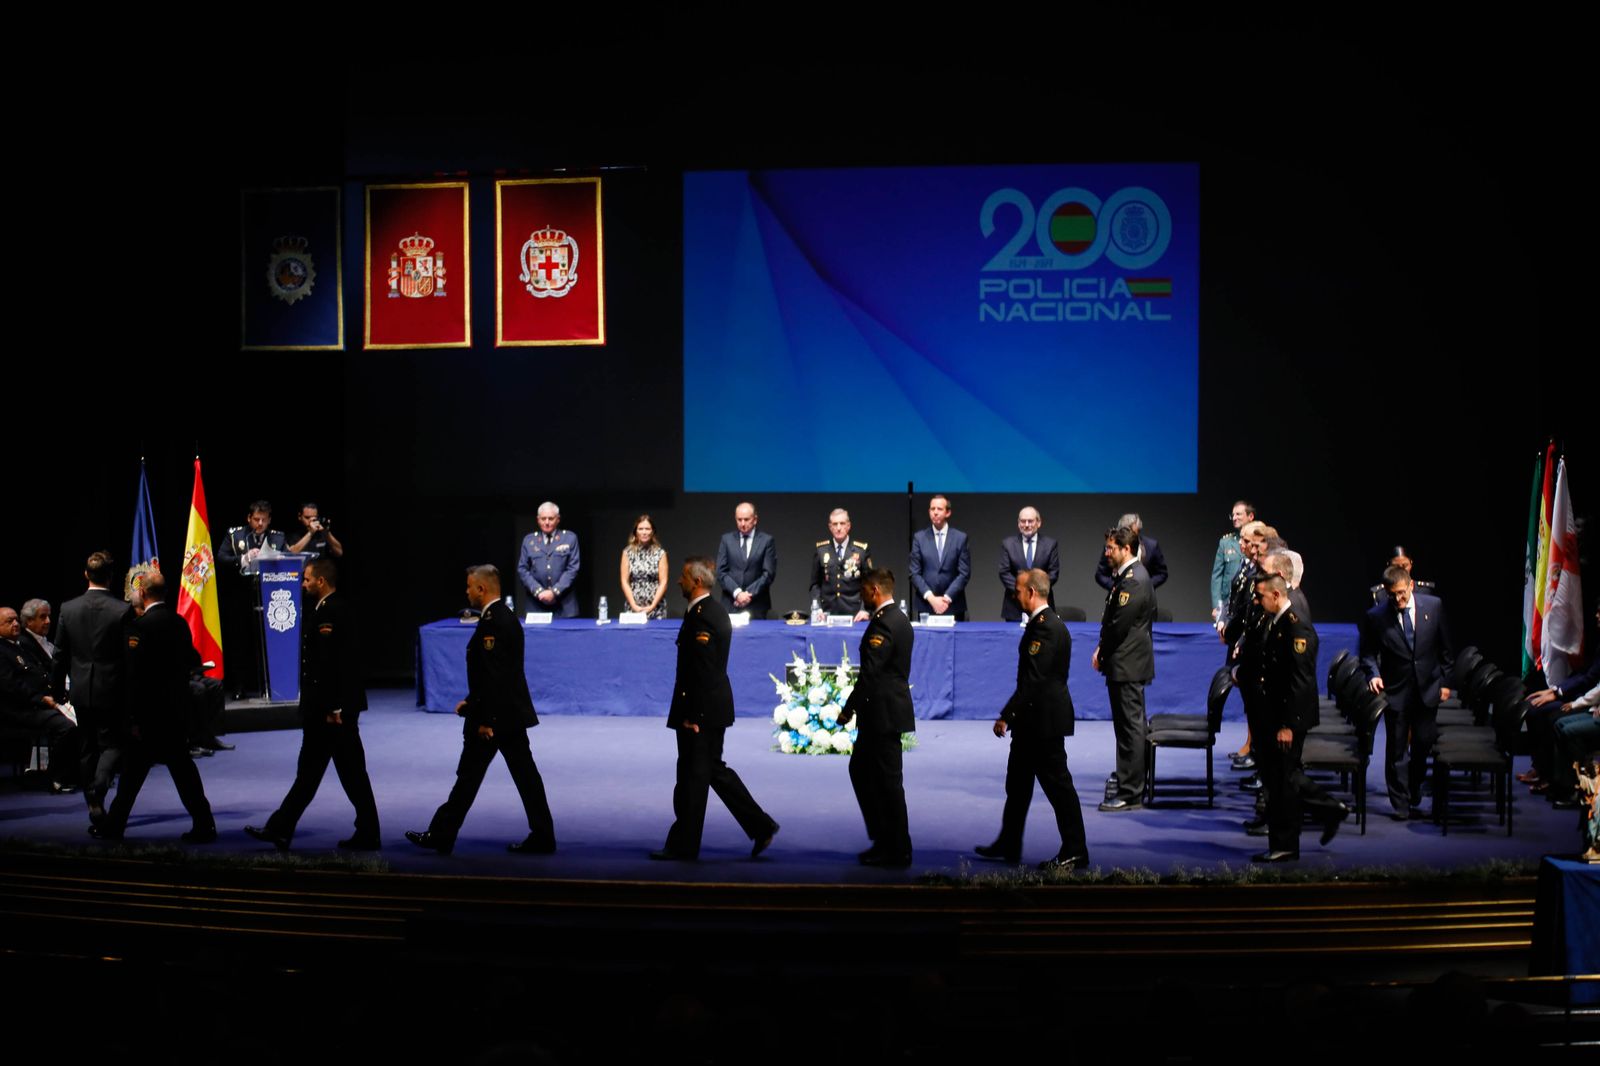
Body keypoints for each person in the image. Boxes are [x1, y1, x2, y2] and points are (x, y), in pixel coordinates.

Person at [407, 565, 556, 856]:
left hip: (496, 719)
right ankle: (542, 835)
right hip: (507, 714)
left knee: (472, 777)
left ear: (481, 589)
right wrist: (472, 701)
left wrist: (486, 719)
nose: (466, 592)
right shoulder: (503, 616)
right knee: (520, 777)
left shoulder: (493, 622)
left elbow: (495, 675)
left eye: (469, 586)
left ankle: (442, 835)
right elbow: (495, 674)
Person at [245, 558, 380, 850]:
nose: (303, 584)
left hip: (331, 712)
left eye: (307, 579)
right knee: (332, 774)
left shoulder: (333, 611)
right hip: (328, 709)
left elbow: (336, 664)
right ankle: (284, 828)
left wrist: (335, 707)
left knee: (333, 774)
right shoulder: (325, 609)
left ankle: (282, 828)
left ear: (321, 581)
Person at [650, 557, 780, 861]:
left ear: (696, 582)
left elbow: (703, 670)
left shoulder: (705, 615)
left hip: (702, 711)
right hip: (708, 708)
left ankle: (684, 846)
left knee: (692, 778)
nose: (679, 581)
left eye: (683, 577)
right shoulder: (704, 611)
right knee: (708, 771)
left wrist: (693, 715)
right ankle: (760, 826)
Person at [974, 569, 1089, 871]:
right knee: (1018, 784)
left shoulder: (1047, 628)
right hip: (1031, 721)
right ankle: (1009, 842)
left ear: (1032, 592)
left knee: (1058, 787)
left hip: (1043, 722)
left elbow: (1034, 682)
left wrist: (1007, 715)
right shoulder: (1043, 624)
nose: (1015, 595)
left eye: (1018, 590)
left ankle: (1075, 849)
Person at [89, 574, 216, 843]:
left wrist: (132, 717)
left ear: (143, 593)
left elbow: (134, 677)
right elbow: (192, 658)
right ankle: (205, 824)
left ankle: (113, 827)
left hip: (148, 715)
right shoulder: (179, 622)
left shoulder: (139, 628)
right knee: (184, 772)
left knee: (131, 777)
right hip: (176, 711)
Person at [1249, 572, 1348, 862]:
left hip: (1288, 719)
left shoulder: (1296, 628)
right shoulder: (1277, 621)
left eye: (1260, 596)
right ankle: (1327, 810)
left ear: (1276, 595)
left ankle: (1286, 844)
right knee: (1281, 777)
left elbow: (1300, 682)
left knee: (1283, 781)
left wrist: (1288, 725)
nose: (1257, 601)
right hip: (1275, 714)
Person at [1360, 564, 1455, 819]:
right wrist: (1373, 674)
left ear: (1411, 586)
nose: (1398, 599)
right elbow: (1367, 653)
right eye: (1392, 595)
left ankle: (1413, 787)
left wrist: (1446, 682)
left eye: (1402, 593)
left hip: (1428, 689)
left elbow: (1446, 650)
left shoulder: (1433, 606)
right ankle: (1400, 803)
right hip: (1396, 690)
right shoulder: (1376, 616)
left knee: (1423, 742)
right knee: (1397, 749)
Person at [837, 568, 914, 866]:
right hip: (884, 711)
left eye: (863, 591)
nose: (861, 597)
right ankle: (885, 839)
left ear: (874, 591)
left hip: (882, 713)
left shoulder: (884, 624)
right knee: (864, 771)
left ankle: (897, 847)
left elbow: (871, 673)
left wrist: (849, 708)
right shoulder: (899, 618)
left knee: (887, 782)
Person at [53, 551, 136, 820]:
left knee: (87, 747)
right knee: (113, 745)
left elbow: (59, 654)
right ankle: (98, 789)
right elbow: (129, 658)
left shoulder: (68, 608)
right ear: (111, 576)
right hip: (112, 689)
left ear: (86, 574)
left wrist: (57, 689)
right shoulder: (122, 610)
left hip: (80, 689)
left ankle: (92, 800)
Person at [1093, 525, 1156, 812]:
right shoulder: (1130, 576)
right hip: (1127, 662)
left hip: (1128, 662)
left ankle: (1130, 792)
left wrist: (1102, 651)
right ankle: (1128, 779)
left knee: (1130, 728)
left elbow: (1119, 625)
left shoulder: (1133, 580)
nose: (1107, 553)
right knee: (1127, 727)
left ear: (1126, 548)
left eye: (1111, 548)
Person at [0, 606, 80, 792]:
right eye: (9, 621)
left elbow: (41, 676)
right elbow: (11, 686)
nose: (15, 624)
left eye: (16, 620)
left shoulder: (19, 646)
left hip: (38, 703)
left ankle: (77, 773)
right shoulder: (2, 651)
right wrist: (41, 699)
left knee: (83, 716)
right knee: (65, 726)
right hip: (18, 710)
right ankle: (55, 777)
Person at [908, 494, 971, 621]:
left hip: (953, 605)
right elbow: (914, 573)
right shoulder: (919, 538)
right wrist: (931, 598)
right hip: (926, 605)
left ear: (948, 513)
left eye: (939, 509)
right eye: (932, 509)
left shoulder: (960, 538)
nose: (935, 512)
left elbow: (964, 573)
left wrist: (946, 598)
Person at [715, 501, 777, 619]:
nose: (742, 524)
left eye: (746, 519)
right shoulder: (726, 540)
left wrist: (747, 595)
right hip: (731, 604)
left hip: (757, 606)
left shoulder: (766, 541)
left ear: (755, 519)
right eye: (739, 520)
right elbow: (721, 572)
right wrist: (737, 593)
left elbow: (768, 574)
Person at [518, 501, 581, 618]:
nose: (547, 522)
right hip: (536, 605)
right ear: (538, 520)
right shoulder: (529, 541)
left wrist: (554, 592)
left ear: (558, 519)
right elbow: (522, 569)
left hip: (564, 606)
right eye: (543, 519)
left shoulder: (569, 538)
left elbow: (573, 569)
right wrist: (539, 592)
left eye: (551, 519)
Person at [999, 507, 1060, 622]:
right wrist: (1023, 591)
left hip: (1042, 605)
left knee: (1042, 634)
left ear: (1039, 522)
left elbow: (1053, 573)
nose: (1026, 525)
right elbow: (1004, 572)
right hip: (1014, 606)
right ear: (1018, 523)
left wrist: (1036, 592)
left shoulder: (1050, 544)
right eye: (1023, 521)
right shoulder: (1008, 544)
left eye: (1030, 521)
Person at [810, 509, 871, 620]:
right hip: (826, 614)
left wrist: (864, 609)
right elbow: (815, 584)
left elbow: (869, 584)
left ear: (848, 526)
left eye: (842, 523)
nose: (838, 528)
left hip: (855, 614)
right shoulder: (821, 550)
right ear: (830, 527)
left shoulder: (861, 550)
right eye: (835, 524)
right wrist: (817, 608)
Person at [1094, 512, 1168, 591]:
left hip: (1144, 594)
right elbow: (1100, 575)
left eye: (1133, 534)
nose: (1129, 538)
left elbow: (1162, 573)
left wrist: (1145, 586)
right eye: (1124, 534)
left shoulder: (1151, 546)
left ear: (1138, 531)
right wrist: (1117, 588)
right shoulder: (1111, 548)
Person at [1210, 500, 1254, 624]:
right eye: (1233, 515)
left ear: (1250, 516)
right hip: (1228, 604)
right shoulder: (1226, 543)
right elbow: (1217, 576)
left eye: (1238, 514)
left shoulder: (1259, 542)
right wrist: (1217, 605)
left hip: (1250, 602)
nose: (1234, 518)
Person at [619, 514, 669, 619]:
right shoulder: (627, 553)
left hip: (656, 607)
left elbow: (663, 582)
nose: (644, 532)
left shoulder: (660, 553)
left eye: (647, 529)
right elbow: (624, 581)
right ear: (635, 532)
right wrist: (634, 606)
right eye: (641, 529)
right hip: (633, 607)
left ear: (652, 531)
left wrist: (652, 606)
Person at [217, 501, 288, 573]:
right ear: (249, 518)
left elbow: (289, 558)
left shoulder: (278, 537)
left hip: (269, 578)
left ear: (269, 520)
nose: (260, 523)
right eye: (256, 519)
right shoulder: (234, 535)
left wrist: (282, 560)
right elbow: (221, 558)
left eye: (264, 520)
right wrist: (243, 558)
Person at [18, 598, 55, 670]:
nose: (48, 621)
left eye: (49, 616)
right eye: (43, 617)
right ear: (29, 620)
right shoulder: (23, 644)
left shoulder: (49, 638)